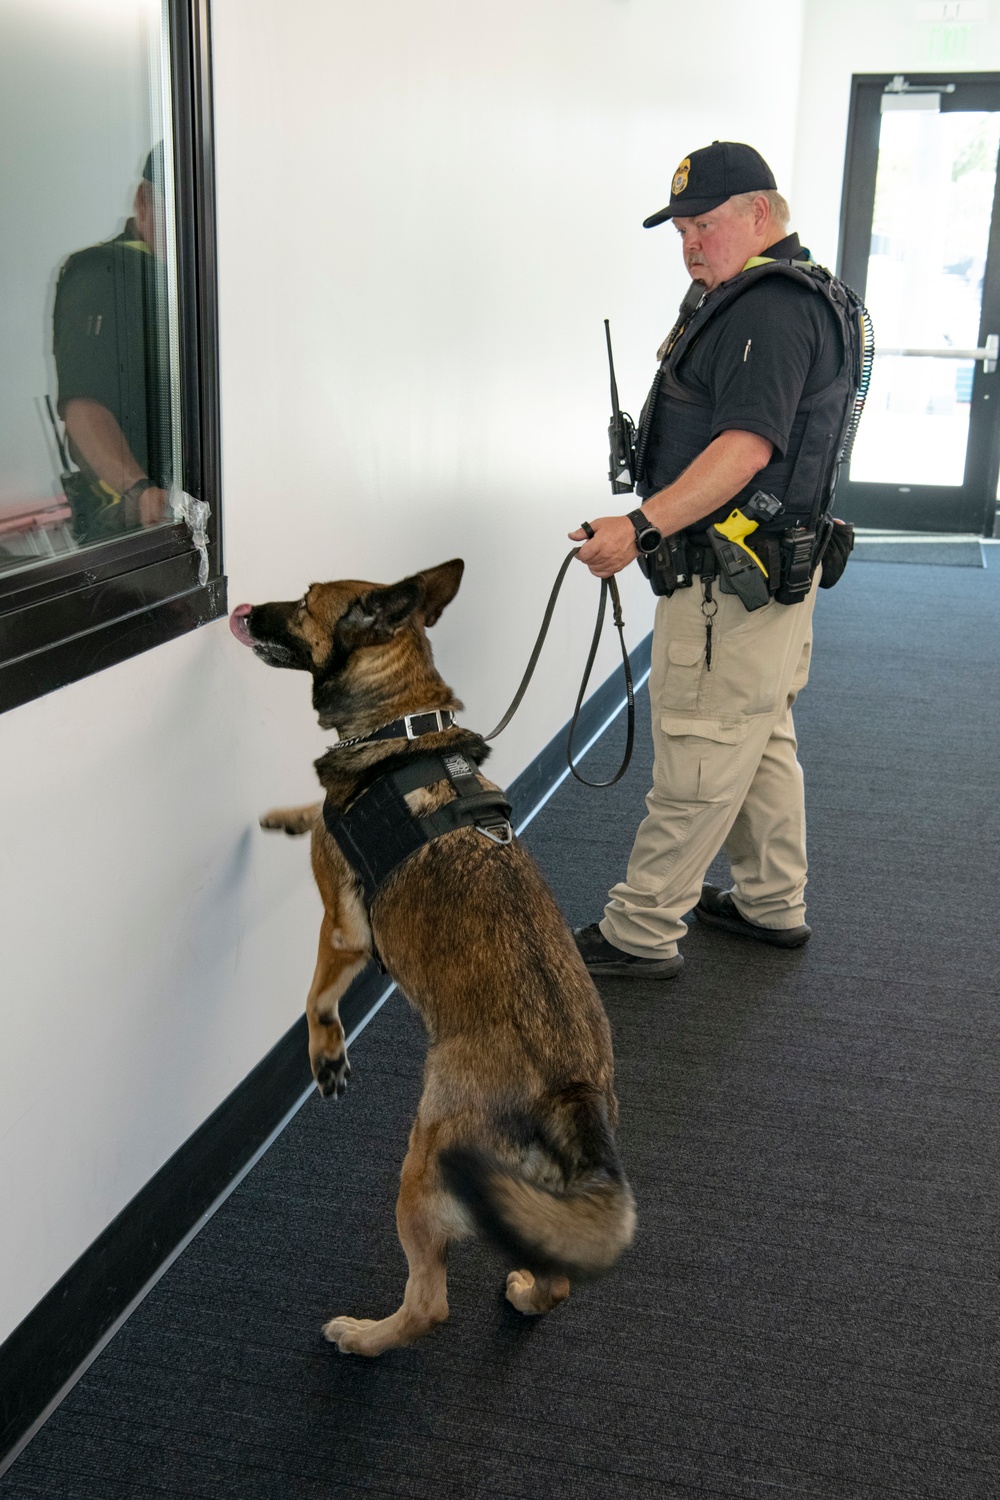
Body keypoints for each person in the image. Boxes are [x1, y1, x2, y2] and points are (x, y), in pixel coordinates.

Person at [571, 141, 861, 980]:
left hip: (726, 587)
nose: (691, 243)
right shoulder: (787, 296)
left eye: (706, 224)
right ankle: (774, 901)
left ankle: (641, 929)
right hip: (773, 576)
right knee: (758, 732)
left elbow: (743, 450)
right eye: (682, 229)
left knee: (700, 747)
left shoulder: (766, 310)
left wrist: (639, 526)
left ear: (762, 215)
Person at [52, 145, 172, 543]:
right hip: (134, 537)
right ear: (144, 203)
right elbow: (83, 406)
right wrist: (138, 492)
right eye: (176, 212)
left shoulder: (200, 281)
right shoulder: (102, 275)